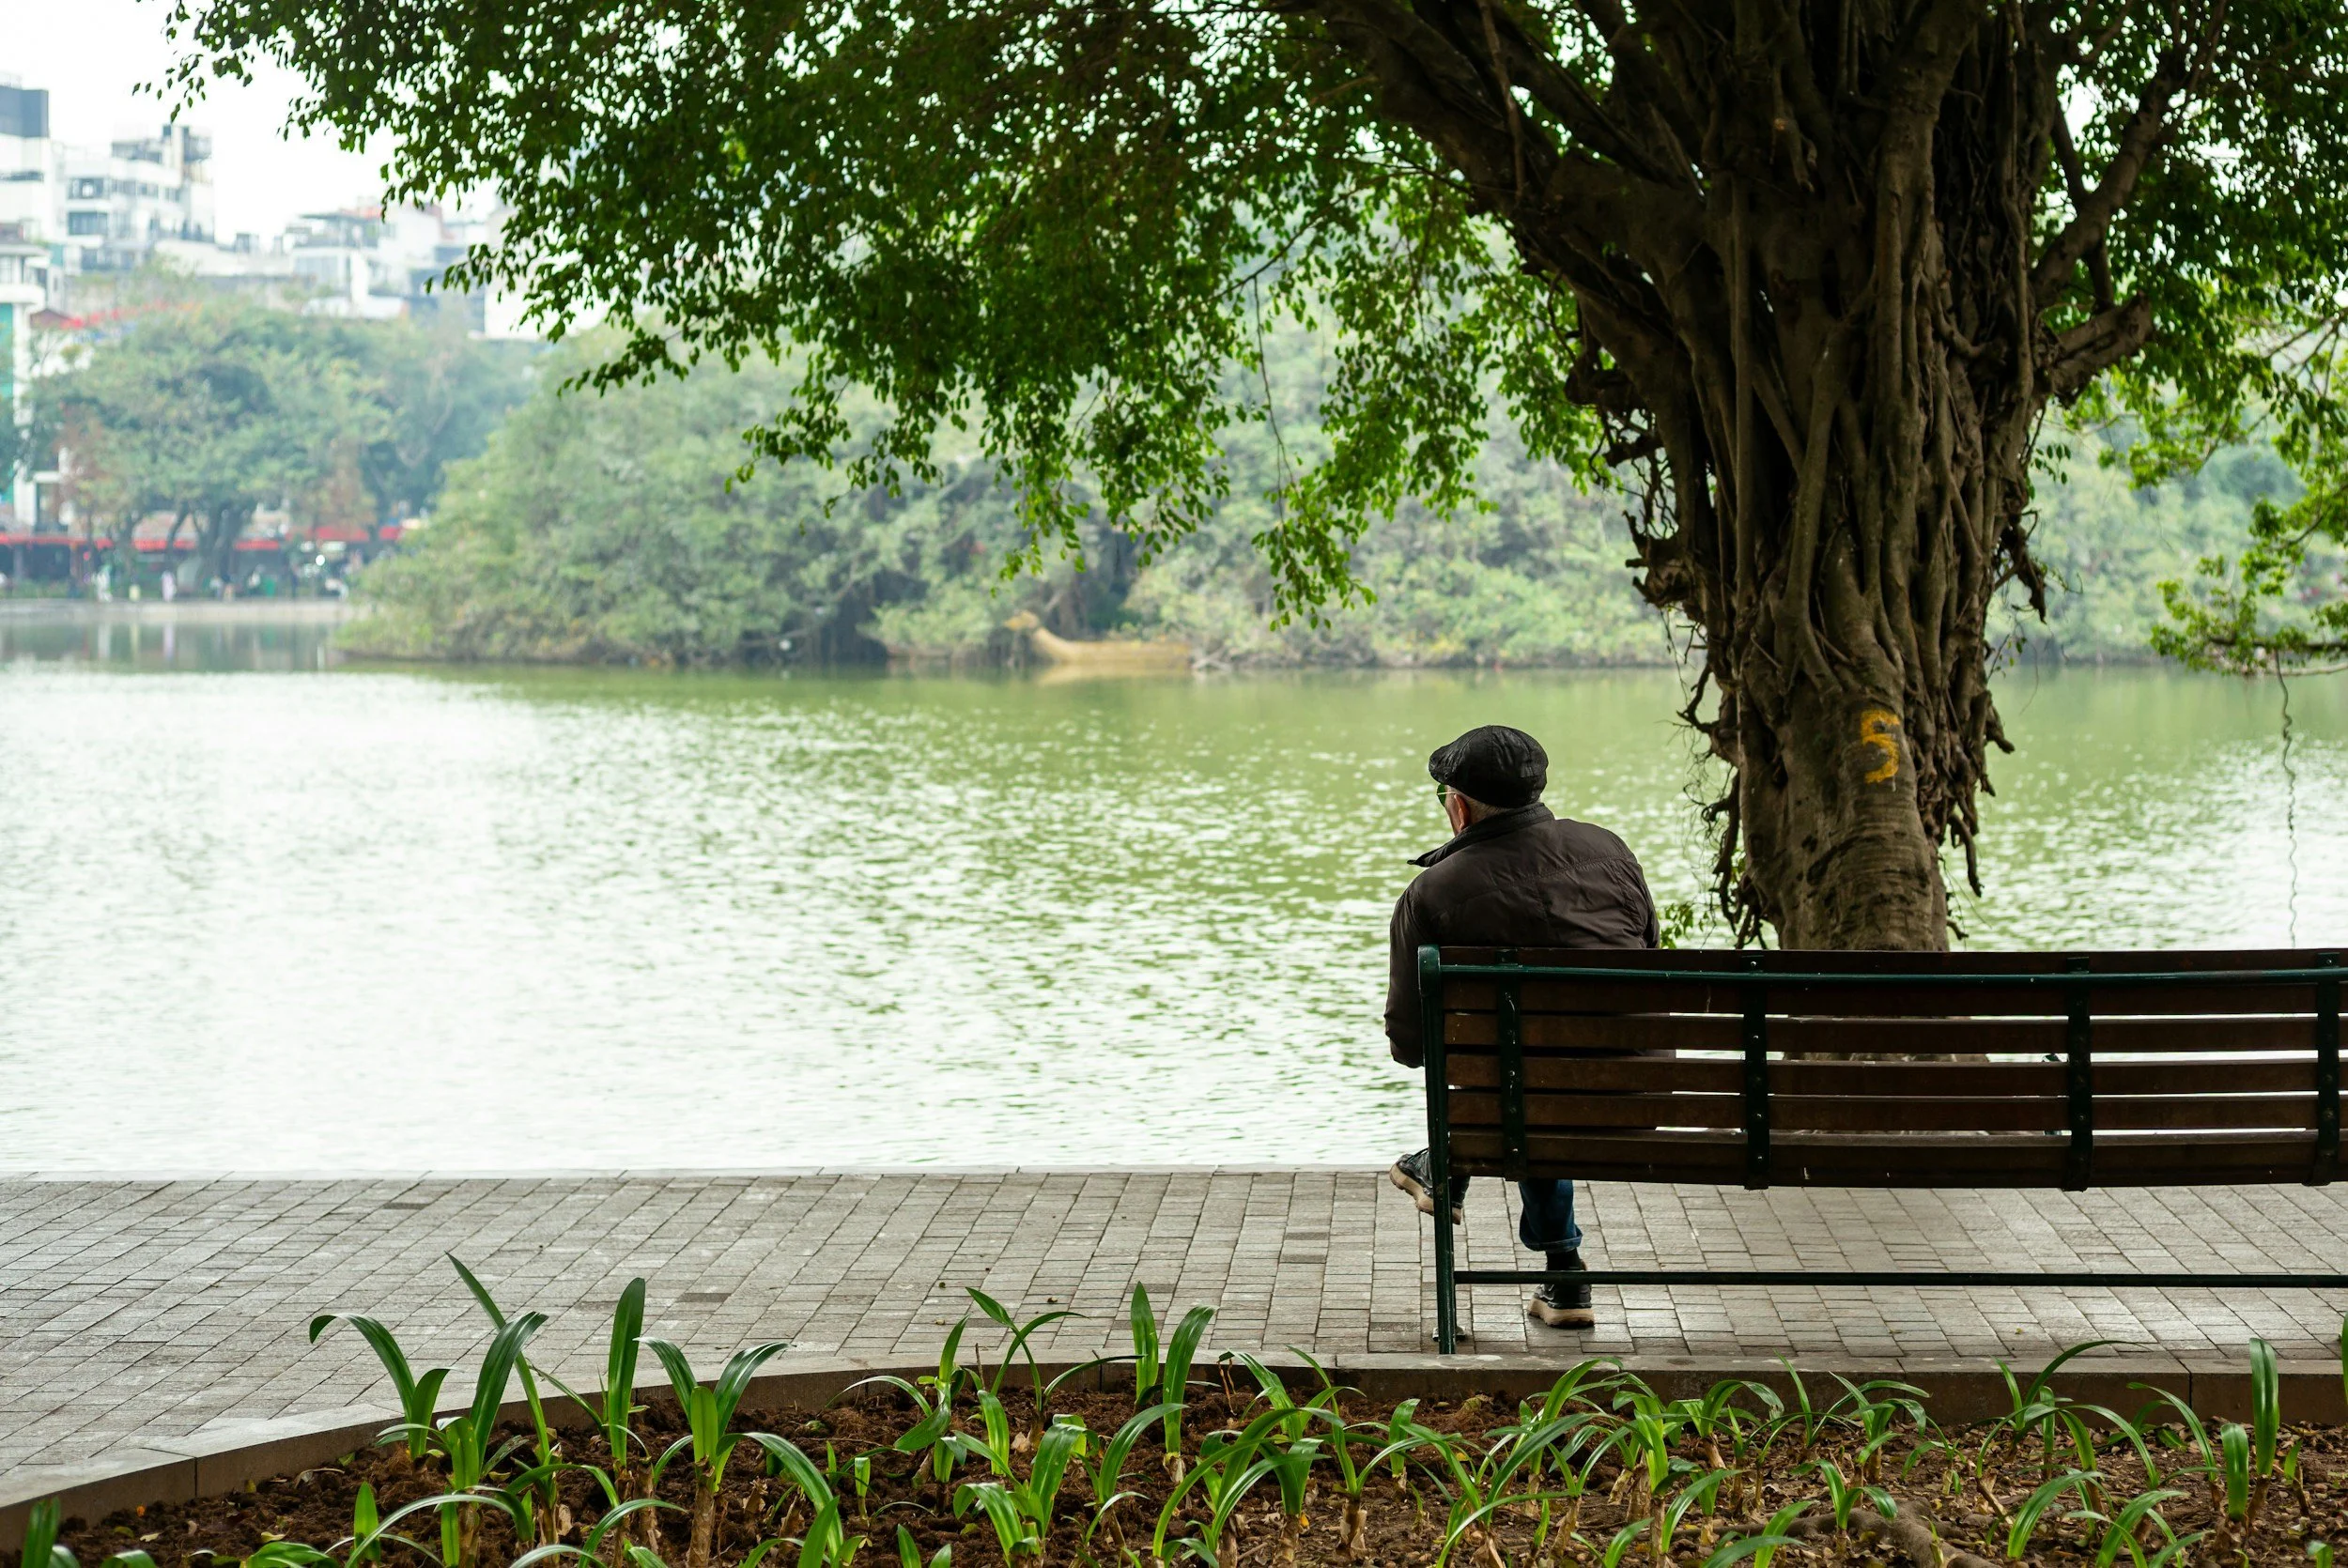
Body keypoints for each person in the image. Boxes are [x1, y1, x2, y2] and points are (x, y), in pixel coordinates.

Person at [1383, 724, 1660, 1330]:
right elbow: (1650, 967)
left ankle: (1446, 1166)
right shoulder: (1611, 853)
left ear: (1458, 806)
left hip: (1511, 1116)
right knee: (1531, 1075)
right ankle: (1564, 1274)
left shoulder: (1432, 893)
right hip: (1636, 1103)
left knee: (1518, 1085)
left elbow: (1409, 1044)